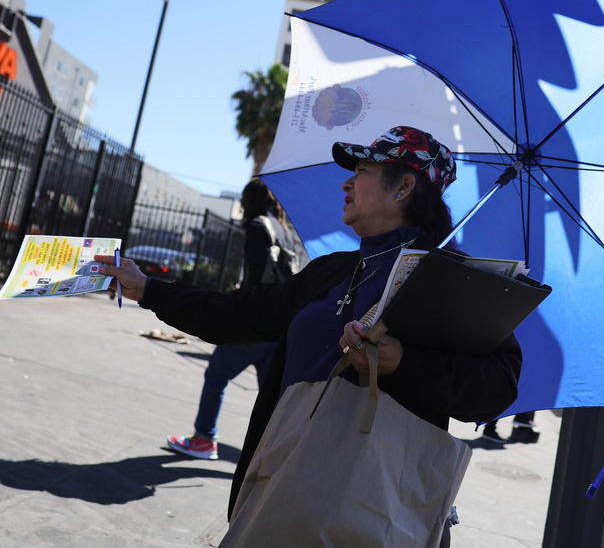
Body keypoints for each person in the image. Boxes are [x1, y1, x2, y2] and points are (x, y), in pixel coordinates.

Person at [97, 126, 521, 543]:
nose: (347, 182)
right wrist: (149, 289)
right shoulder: (332, 270)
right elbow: (239, 314)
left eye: (363, 170)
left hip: (373, 510)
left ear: (403, 187)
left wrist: (402, 364)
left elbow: (498, 383)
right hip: (282, 481)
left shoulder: (445, 279)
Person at [165, 178, 302, 460]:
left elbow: (255, 277)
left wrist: (240, 301)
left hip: (254, 321)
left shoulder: (257, 226)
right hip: (279, 323)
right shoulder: (284, 230)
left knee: (216, 374)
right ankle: (279, 452)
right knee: (271, 396)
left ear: (249, 200)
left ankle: (203, 439)